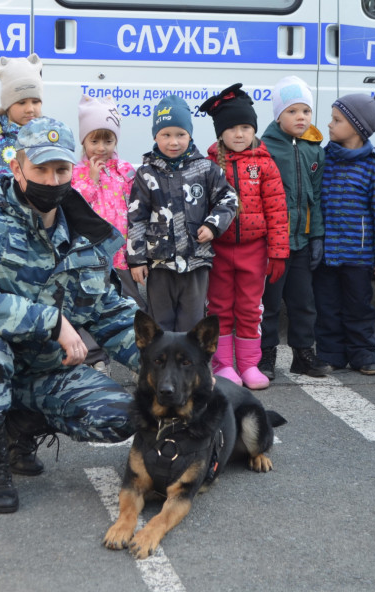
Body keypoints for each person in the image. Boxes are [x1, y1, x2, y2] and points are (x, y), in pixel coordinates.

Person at [0, 117, 140, 514]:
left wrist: (177, 363)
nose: (52, 179)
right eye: (41, 169)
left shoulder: (84, 234)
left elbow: (113, 315)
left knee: (122, 415)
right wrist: (52, 322)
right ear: (17, 168)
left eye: (61, 170)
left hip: (41, 372)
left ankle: (16, 432)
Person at [199, 84, 288, 390]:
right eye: (232, 128)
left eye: (245, 127)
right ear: (219, 133)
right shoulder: (209, 165)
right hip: (219, 250)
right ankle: (223, 365)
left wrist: (278, 252)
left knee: (250, 308)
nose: (239, 134)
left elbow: (277, 210)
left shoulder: (264, 164)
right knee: (219, 307)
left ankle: (249, 365)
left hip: (254, 249)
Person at [127, 94, 238, 333]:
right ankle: (161, 369)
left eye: (181, 134)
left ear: (190, 135)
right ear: (155, 135)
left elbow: (228, 199)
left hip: (196, 263)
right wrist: (136, 260)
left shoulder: (206, 168)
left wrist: (212, 225)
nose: (173, 142)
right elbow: (136, 217)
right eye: (166, 135)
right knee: (159, 324)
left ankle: (192, 370)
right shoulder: (146, 173)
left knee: (193, 324)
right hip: (160, 265)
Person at [314, 92, 375, 375]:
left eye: (337, 120)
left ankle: (363, 354)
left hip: (358, 256)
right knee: (327, 307)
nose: (330, 125)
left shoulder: (374, 167)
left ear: (358, 127)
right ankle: (331, 353)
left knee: (359, 307)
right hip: (326, 254)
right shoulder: (324, 160)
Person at [258, 76, 329, 379]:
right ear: (278, 115)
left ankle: (303, 354)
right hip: (274, 243)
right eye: (292, 111)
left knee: (304, 303)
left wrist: (317, 237)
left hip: (301, 242)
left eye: (306, 111)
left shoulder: (314, 148)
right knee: (270, 303)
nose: (301, 117)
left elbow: (316, 197)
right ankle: (266, 355)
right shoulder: (265, 147)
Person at [71, 94, 145, 376]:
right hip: (90, 257)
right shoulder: (77, 173)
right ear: (83, 142)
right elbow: (77, 207)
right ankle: (96, 357)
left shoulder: (125, 171)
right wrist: (90, 181)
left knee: (129, 304)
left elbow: (137, 211)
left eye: (108, 140)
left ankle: (139, 356)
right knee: (89, 306)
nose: (101, 148)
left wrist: (137, 251)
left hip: (121, 256)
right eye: (94, 141)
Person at [0, 53, 43, 187]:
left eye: (35, 101)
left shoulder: (48, 139)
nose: (30, 109)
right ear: (8, 105)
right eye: (21, 102)